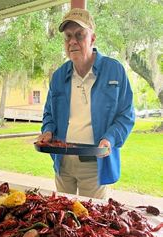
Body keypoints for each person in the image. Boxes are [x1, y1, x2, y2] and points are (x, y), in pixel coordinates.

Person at [37, 8, 135, 199]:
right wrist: (48, 131)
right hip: (63, 162)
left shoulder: (114, 71)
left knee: (92, 219)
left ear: (92, 38)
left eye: (79, 35)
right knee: (63, 217)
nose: (72, 41)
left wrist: (110, 139)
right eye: (68, 36)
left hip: (95, 163)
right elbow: (49, 113)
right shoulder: (58, 76)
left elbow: (126, 115)